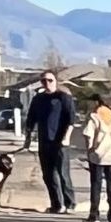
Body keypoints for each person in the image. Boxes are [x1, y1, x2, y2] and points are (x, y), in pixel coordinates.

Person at [25, 72, 77, 214]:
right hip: (44, 141)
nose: (47, 83)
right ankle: (56, 204)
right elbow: (31, 119)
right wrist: (28, 138)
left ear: (55, 81)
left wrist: (66, 137)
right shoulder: (38, 99)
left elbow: (71, 119)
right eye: (44, 81)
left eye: (50, 80)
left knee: (62, 173)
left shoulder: (63, 97)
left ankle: (69, 203)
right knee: (48, 174)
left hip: (60, 141)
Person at [77, 94, 111, 222]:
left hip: (97, 155)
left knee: (96, 185)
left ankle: (94, 215)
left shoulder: (94, 116)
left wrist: (89, 149)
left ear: (98, 102)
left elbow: (88, 135)